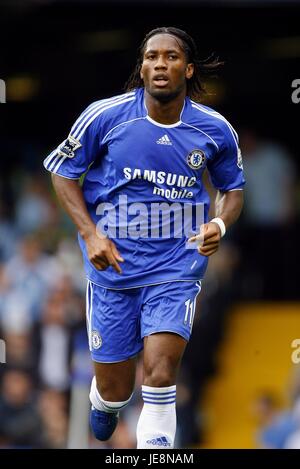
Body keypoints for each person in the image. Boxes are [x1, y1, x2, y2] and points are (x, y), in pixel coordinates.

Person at [43, 26, 244, 449]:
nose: (160, 64)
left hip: (177, 264)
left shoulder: (214, 130)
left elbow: (233, 190)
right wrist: (90, 234)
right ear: (142, 67)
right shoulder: (105, 116)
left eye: (171, 57)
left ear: (187, 70)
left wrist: (218, 224)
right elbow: (63, 172)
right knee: (117, 390)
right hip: (112, 266)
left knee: (160, 370)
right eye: (152, 57)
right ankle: (107, 400)